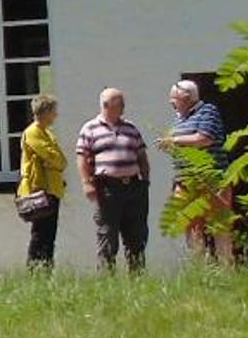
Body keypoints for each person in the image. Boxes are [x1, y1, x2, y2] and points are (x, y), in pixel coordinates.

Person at [75, 86, 152, 273]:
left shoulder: (131, 128)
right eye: (120, 103)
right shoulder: (90, 128)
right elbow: (82, 158)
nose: (124, 107)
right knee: (107, 235)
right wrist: (87, 183)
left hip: (133, 187)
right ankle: (107, 279)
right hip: (108, 188)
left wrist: (145, 179)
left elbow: (141, 155)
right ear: (107, 105)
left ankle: (137, 276)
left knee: (136, 235)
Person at [165, 78, 231, 262]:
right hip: (185, 181)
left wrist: (174, 141)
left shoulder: (208, 111)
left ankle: (226, 270)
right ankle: (199, 270)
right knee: (191, 226)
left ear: (186, 98)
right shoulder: (179, 119)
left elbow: (204, 138)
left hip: (212, 180)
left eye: (173, 98)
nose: (171, 102)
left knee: (219, 226)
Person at [17, 93, 65, 267]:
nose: (56, 115)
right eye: (53, 111)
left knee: (49, 234)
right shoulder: (33, 133)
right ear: (44, 112)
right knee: (39, 234)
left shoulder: (48, 134)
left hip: (51, 189)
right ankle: (35, 269)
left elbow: (61, 160)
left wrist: (55, 160)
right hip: (38, 190)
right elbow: (52, 157)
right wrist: (54, 159)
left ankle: (46, 268)